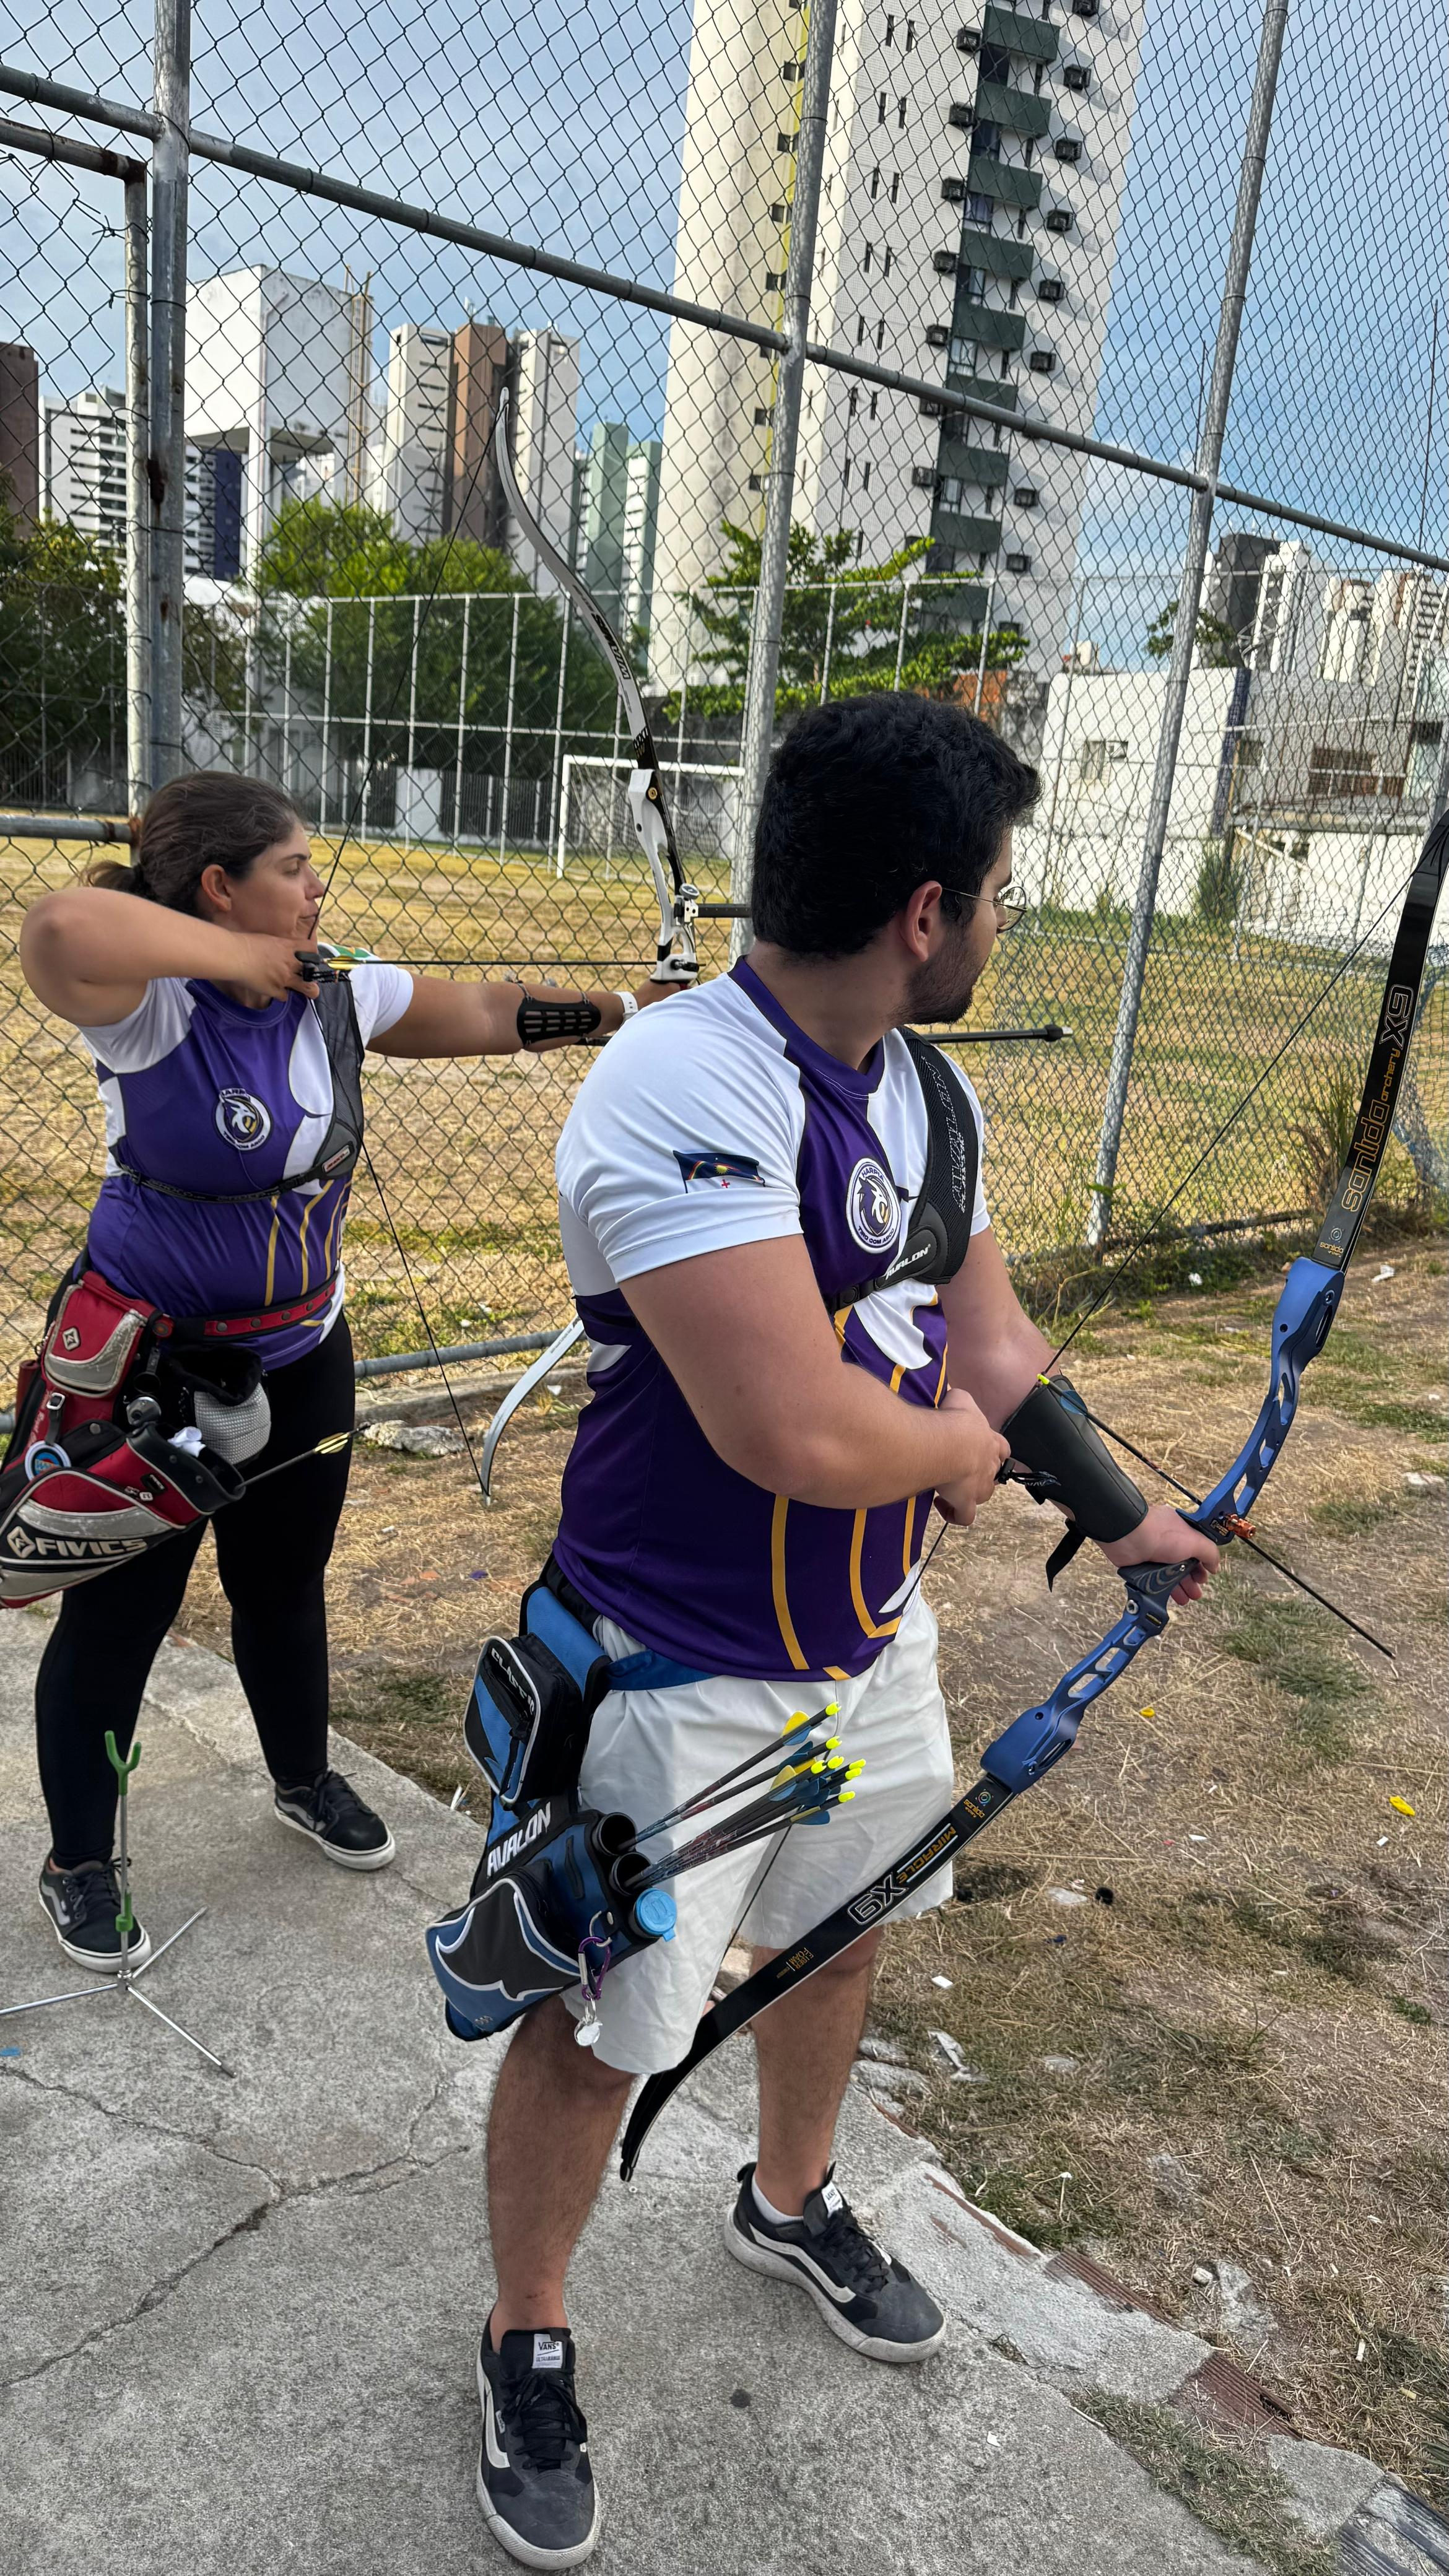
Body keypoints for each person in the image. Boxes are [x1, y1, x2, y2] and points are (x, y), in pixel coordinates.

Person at [470, 694, 1220, 2569]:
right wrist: (961, 1456)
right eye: (992, 898)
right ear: (920, 909)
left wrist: (1123, 1511)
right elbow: (788, 1427)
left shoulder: (924, 1086)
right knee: (606, 2020)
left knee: (836, 1941)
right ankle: (526, 2328)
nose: (999, 929)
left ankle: (788, 2197)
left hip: (864, 1640)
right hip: (675, 1666)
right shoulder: (679, 1082)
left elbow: (990, 1349)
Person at [18, 768, 674, 1973]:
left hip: (303, 1353)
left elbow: (481, 1008)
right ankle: (78, 1859)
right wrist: (217, 961)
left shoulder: (335, 996)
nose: (319, 887)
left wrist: (626, 1004)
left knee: (284, 1581)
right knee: (121, 1618)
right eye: (295, 869)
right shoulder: (147, 1008)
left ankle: (301, 1778)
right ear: (222, 887)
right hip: (156, 1375)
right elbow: (57, 928)